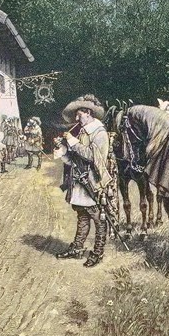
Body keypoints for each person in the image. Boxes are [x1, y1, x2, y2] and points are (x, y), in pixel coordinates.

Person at [55, 94, 111, 267]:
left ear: (88, 113)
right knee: (82, 215)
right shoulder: (81, 131)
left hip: (93, 182)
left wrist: (72, 142)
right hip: (80, 181)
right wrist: (63, 151)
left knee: (98, 218)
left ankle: (98, 252)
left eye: (79, 115)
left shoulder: (99, 133)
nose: (77, 118)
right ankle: (77, 248)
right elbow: (76, 160)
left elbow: (93, 158)